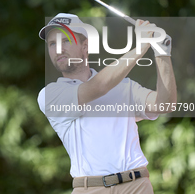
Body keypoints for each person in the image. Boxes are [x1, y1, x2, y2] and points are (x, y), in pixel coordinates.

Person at [37, 13, 177, 194]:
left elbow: (164, 105)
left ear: (85, 46)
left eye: (65, 41)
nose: (58, 49)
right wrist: (142, 45)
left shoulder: (123, 85)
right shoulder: (50, 95)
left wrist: (162, 53)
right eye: (52, 44)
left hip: (136, 186)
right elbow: (99, 87)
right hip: (90, 189)